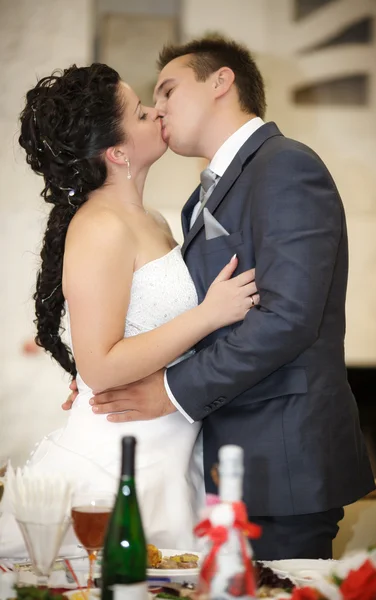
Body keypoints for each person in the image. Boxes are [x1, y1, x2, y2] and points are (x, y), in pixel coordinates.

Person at [72, 37, 376, 560]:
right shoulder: (200, 200)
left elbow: (287, 318)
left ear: (221, 81)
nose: (159, 107)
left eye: (168, 89)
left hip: (281, 461)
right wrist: (97, 375)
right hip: (215, 461)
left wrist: (168, 391)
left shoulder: (285, 165)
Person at [0, 62, 259, 557]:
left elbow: (135, 331)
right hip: (120, 451)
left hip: (171, 443)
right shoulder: (100, 225)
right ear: (118, 152)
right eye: (142, 112)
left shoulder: (153, 218)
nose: (157, 111)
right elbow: (99, 366)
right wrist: (208, 313)